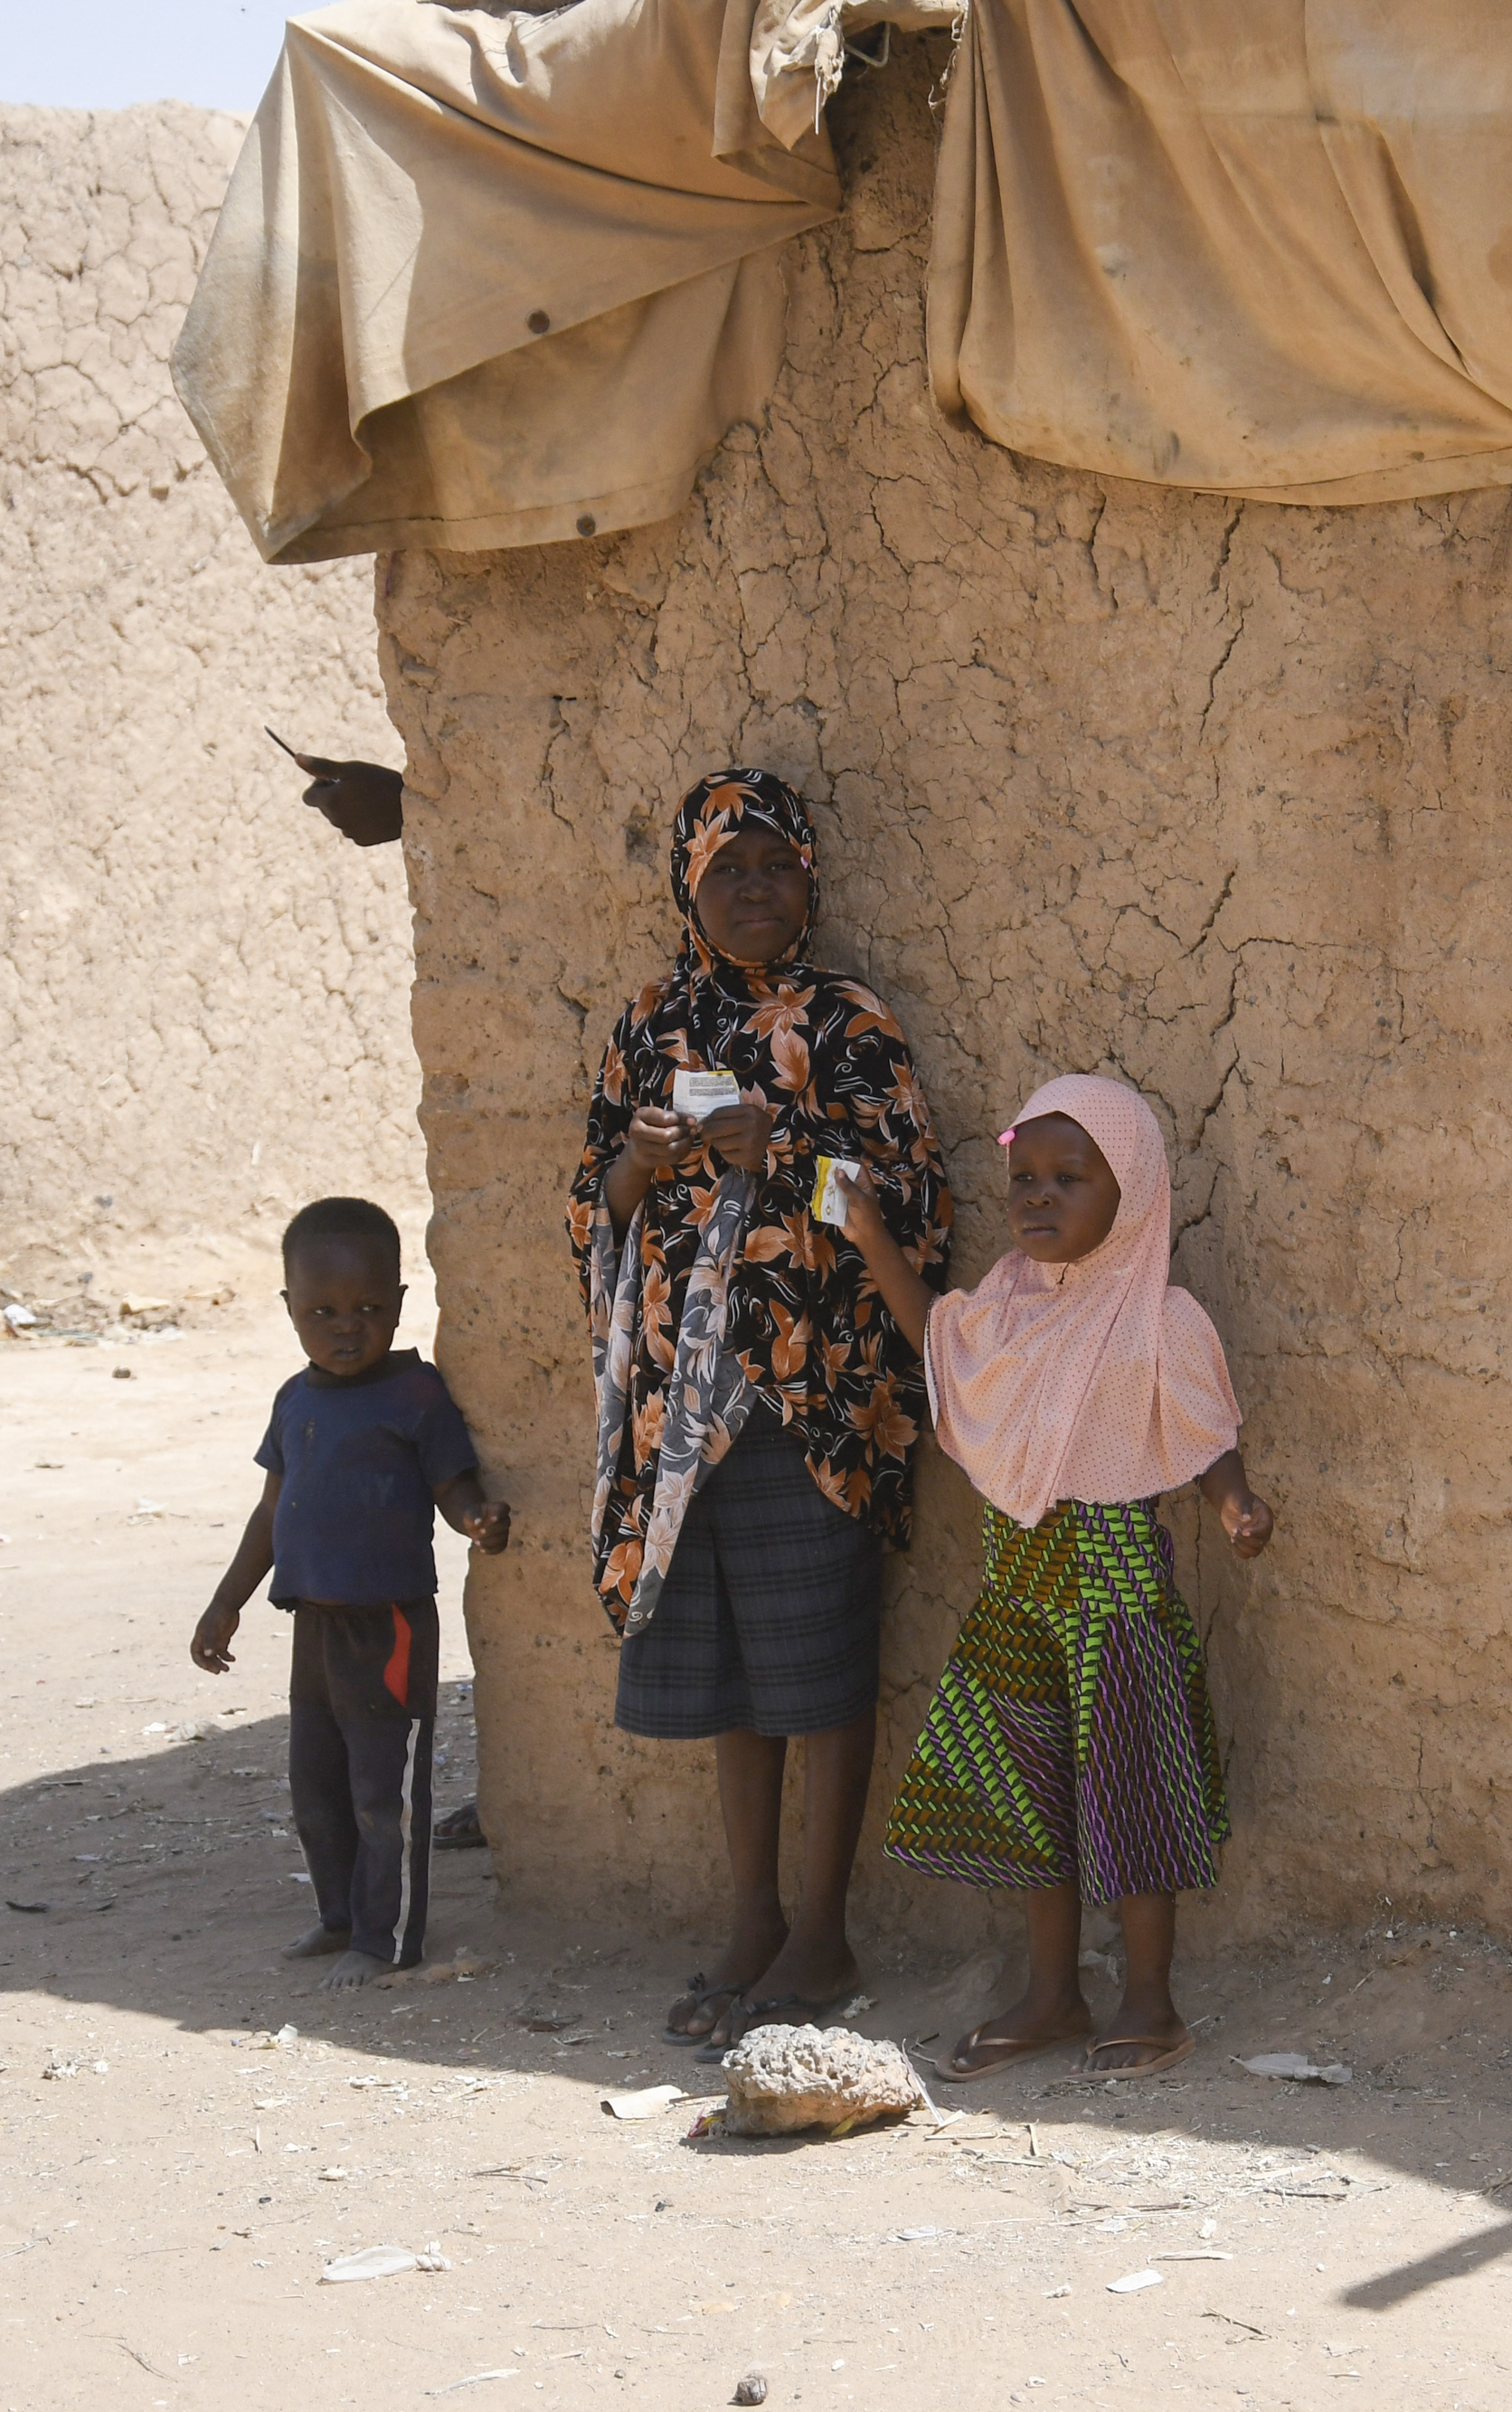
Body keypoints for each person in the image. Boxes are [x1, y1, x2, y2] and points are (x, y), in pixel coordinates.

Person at [570, 769, 953, 2054]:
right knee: (735, 1675)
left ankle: (823, 1929)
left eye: (776, 865)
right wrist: (642, 1158)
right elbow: (590, 1205)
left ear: (811, 879)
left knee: (821, 1669)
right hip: (687, 1411)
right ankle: (750, 1918)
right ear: (688, 882)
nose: (753, 888)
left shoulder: (849, 1023)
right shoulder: (650, 1019)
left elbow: (911, 1196)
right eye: (727, 866)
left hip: (816, 1399)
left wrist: (775, 1144)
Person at [835, 1073, 1272, 2080]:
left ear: (1132, 1197)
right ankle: (1051, 1994)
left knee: (1128, 1798)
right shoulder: (1007, 1305)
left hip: (1117, 1606)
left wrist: (1236, 1505)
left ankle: (1151, 2003)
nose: (1036, 1197)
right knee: (1031, 1800)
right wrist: (871, 1242)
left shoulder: (1160, 1321)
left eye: (1068, 1179)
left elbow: (1205, 1436)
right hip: (1019, 1599)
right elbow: (937, 1333)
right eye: (1023, 1177)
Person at [188, 1197, 511, 1991]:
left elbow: (451, 1484)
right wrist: (227, 1599)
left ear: (400, 1304)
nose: (346, 1327)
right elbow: (272, 1509)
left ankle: (387, 1934)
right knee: (317, 1786)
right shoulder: (295, 1399)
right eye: (322, 1310)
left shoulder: (416, 1394)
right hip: (315, 1625)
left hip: (389, 1621)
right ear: (289, 1308)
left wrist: (476, 1518)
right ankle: (339, 1916)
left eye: (369, 1308)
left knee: (383, 1789)